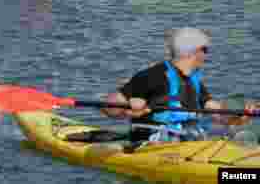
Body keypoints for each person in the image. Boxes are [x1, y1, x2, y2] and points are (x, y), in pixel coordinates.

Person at [100, 28, 258, 142]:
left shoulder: (194, 81)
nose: (206, 55)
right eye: (205, 49)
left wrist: (239, 116)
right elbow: (108, 107)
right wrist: (127, 109)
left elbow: (217, 114)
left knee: (233, 131)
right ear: (192, 52)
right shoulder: (152, 75)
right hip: (153, 144)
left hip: (187, 140)